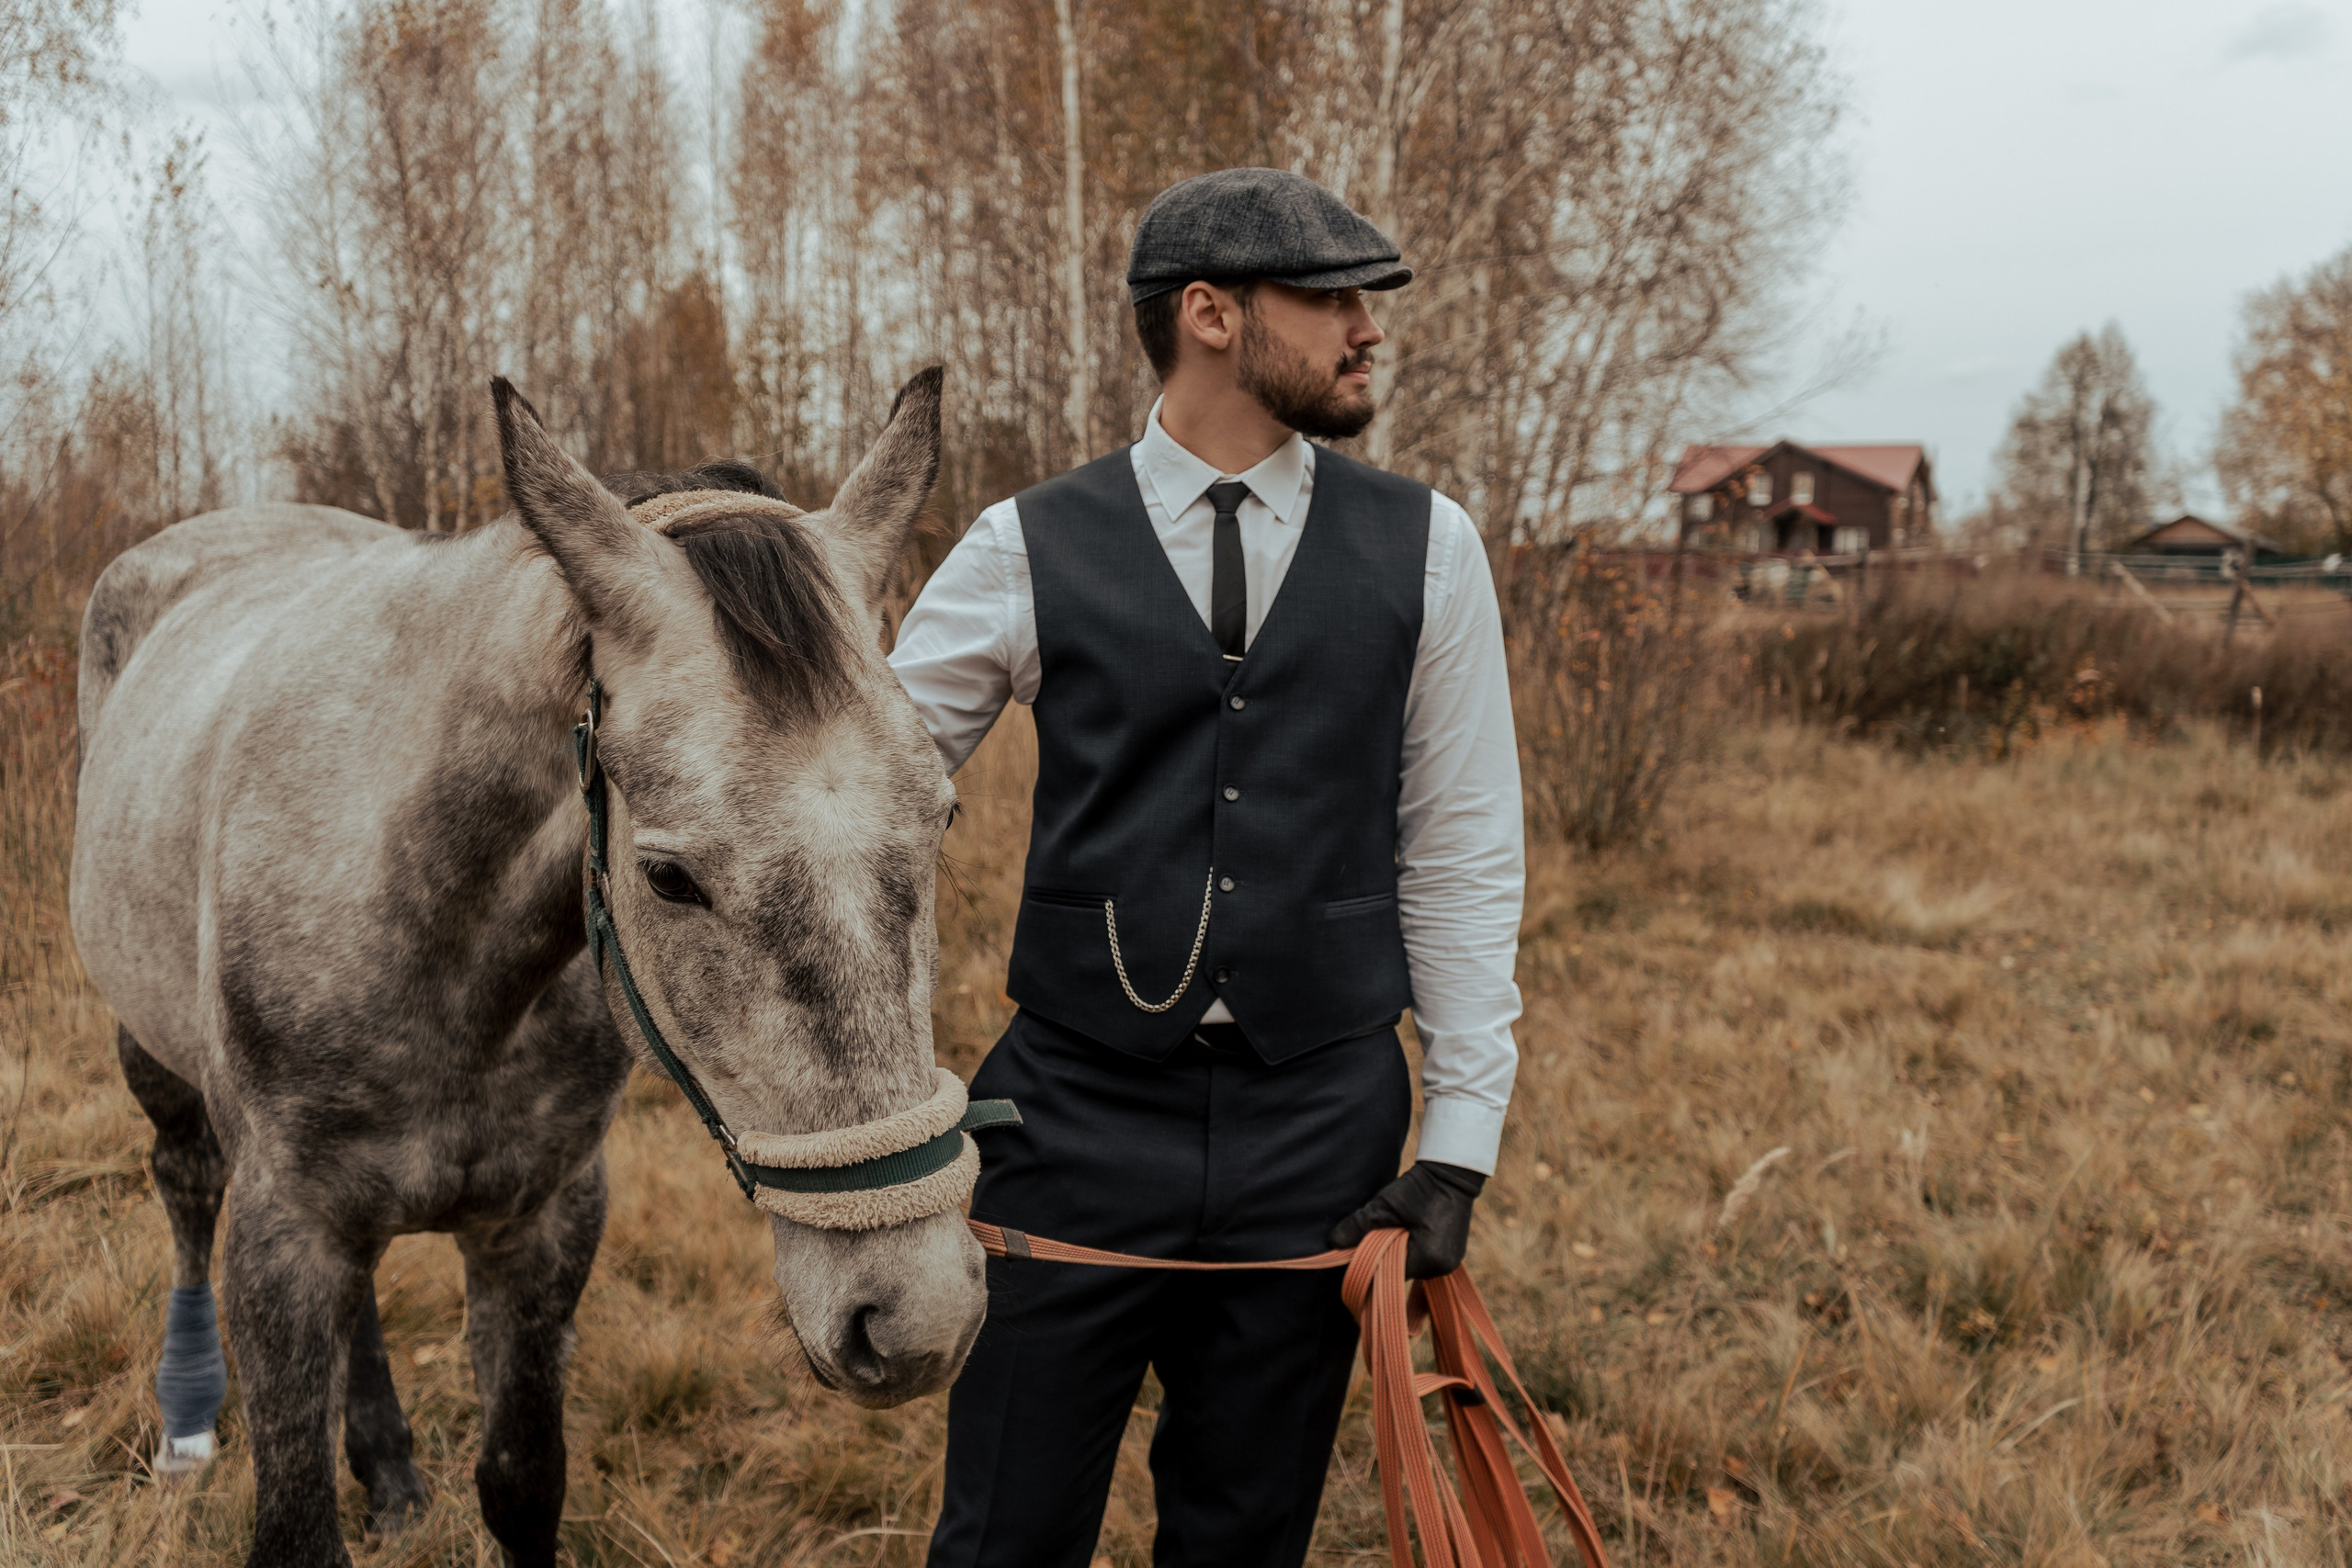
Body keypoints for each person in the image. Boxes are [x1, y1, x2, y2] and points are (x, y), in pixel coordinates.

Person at [891, 166, 1524, 1568]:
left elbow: (1466, 847)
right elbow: (856, 811)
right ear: (1212, 315)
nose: (1369, 330)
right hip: (1066, 1126)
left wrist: (1459, 1148)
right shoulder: (1021, 546)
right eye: (1335, 298)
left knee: (1246, 1539)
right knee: (1005, 1535)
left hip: (1322, 1135)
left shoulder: (1431, 549)